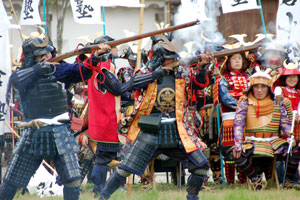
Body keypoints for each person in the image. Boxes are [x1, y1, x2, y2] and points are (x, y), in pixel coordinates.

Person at [0, 36, 109, 200]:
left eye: (48, 53)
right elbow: (19, 80)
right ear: (32, 56)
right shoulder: (22, 74)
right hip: (34, 133)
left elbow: (79, 72)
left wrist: (95, 57)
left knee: (73, 180)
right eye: (42, 54)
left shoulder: (57, 69)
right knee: (11, 181)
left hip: (60, 131)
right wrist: (39, 68)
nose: (48, 56)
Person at [99, 41, 211, 200]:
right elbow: (131, 85)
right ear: (159, 59)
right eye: (168, 58)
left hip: (178, 129)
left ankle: (192, 197)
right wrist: (155, 75)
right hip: (150, 129)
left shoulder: (181, 72)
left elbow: (199, 83)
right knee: (124, 169)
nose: (173, 61)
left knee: (201, 166)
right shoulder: (146, 71)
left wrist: (203, 68)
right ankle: (103, 197)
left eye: (173, 58)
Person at [79, 35, 165, 196]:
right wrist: (150, 76)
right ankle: (101, 190)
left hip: (102, 119)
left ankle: (107, 189)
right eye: (114, 47)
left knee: (105, 157)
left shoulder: (96, 67)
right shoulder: (104, 67)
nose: (117, 50)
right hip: (107, 120)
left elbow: (118, 93)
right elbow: (118, 89)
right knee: (103, 158)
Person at [232, 67, 297, 190]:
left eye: (263, 87)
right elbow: (238, 123)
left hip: (273, 141)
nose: (260, 90)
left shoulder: (277, 103)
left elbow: (285, 123)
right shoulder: (245, 102)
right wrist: (238, 143)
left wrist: (290, 137)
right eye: (256, 87)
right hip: (252, 141)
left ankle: (288, 182)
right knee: (235, 153)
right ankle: (256, 181)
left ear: (268, 88)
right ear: (252, 88)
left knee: (296, 148)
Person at [214, 52, 250, 184]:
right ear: (228, 62)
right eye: (234, 58)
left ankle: (243, 179)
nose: (237, 61)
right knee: (230, 149)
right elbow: (226, 98)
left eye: (239, 58)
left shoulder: (249, 78)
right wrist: (243, 105)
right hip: (230, 118)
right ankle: (230, 180)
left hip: (248, 118)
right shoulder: (223, 79)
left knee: (245, 148)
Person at [274, 61, 300, 187]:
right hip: (282, 124)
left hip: (297, 125)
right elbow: (277, 105)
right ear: (284, 78)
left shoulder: (299, 92)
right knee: (281, 151)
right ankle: (280, 179)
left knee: (295, 151)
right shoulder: (280, 90)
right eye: (289, 77)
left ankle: (292, 179)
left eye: (294, 76)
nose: (292, 79)